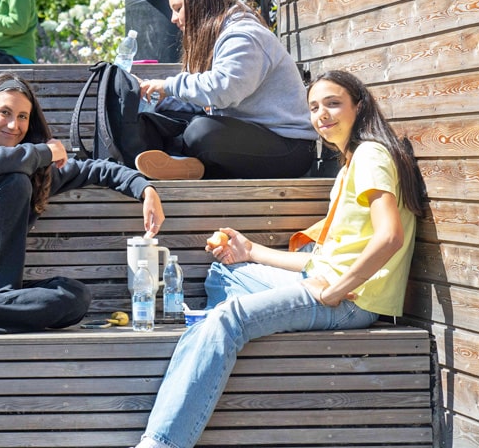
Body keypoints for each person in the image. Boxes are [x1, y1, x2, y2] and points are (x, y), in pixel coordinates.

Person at [129, 70, 427, 448]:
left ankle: (161, 443)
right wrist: (250, 251)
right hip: (323, 282)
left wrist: (337, 289)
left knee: (227, 317)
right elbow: (316, 262)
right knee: (227, 271)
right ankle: (218, 350)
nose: (322, 115)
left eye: (333, 104)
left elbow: (390, 236)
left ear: (360, 107)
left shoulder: (370, 155)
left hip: (352, 301)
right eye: (315, 107)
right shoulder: (350, 163)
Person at [0, 71, 165, 337]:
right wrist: (43, 152)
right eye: (5, 113)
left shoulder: (35, 168)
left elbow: (95, 169)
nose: (14, 125)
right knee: (13, 179)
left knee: (73, 298)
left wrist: (144, 188)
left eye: (22, 117)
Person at [134, 0, 316, 181]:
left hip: (289, 148)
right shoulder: (219, 35)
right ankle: (185, 165)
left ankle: (189, 166)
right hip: (253, 136)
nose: (173, 18)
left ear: (199, 4)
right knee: (163, 115)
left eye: (178, 7)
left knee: (201, 132)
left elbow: (224, 89)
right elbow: (210, 104)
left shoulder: (243, 36)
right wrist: (154, 98)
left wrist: (169, 86)